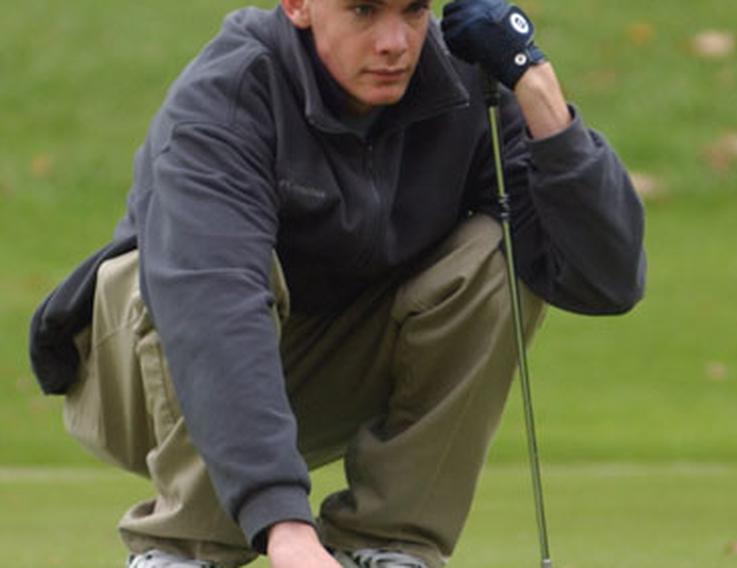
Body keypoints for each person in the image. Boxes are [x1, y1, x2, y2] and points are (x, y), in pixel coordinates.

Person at [28, 0, 646, 566]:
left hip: (308, 378)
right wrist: (284, 525)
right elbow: (214, 307)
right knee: (182, 271)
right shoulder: (228, 94)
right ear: (298, 4)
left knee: (496, 251)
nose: (395, 42)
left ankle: (388, 544)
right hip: (138, 387)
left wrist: (536, 88)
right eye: (362, 10)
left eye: (411, 10)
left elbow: (605, 280)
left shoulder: (462, 83)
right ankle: (186, 548)